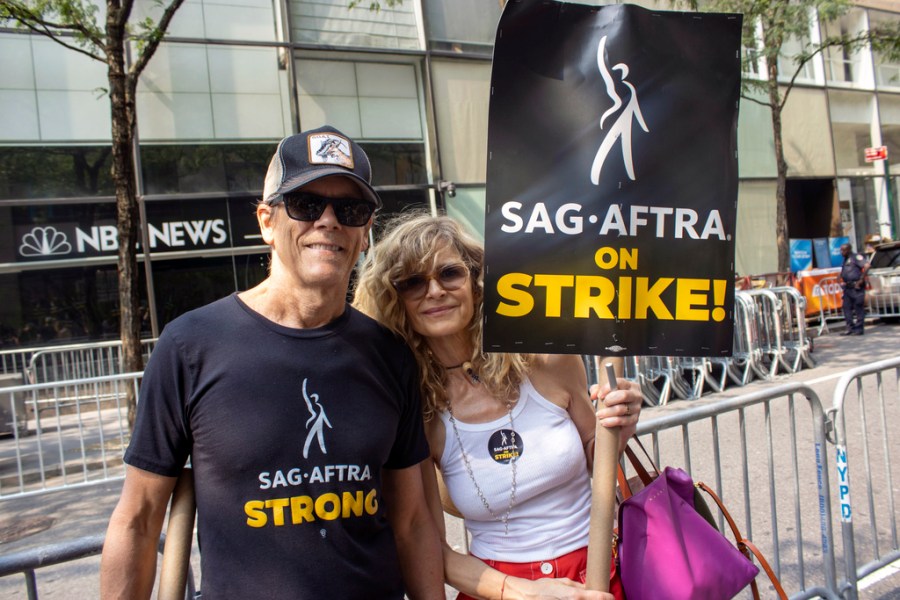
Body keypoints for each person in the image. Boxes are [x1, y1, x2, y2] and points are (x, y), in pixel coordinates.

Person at [100, 126, 444, 599]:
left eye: (350, 209)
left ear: (365, 233)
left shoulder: (388, 354)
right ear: (266, 221)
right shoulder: (191, 346)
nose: (328, 221)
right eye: (305, 204)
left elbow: (412, 521)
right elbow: (138, 519)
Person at [353, 212, 644, 600]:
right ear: (396, 299)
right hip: (496, 589)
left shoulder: (546, 360)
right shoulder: (414, 407)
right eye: (413, 282)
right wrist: (521, 592)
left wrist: (618, 425)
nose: (435, 291)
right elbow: (427, 545)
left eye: (449, 274)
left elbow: (597, 455)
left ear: (476, 280)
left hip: (597, 575)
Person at [838, 242, 869, 336]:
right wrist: (839, 277)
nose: (841, 252)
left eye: (843, 250)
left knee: (858, 307)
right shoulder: (845, 259)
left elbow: (867, 265)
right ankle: (849, 328)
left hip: (856, 287)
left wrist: (861, 279)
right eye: (841, 250)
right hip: (848, 288)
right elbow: (846, 271)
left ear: (849, 250)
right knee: (846, 307)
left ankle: (859, 329)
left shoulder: (856, 257)